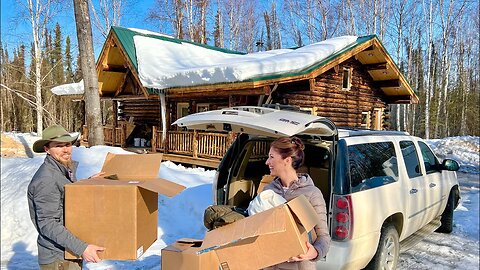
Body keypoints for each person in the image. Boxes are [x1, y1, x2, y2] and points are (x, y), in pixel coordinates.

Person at [27, 125, 105, 270]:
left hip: (67, 252)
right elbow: (48, 224)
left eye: (68, 144)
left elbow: (67, 196)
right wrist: (82, 248)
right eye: (58, 146)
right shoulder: (46, 180)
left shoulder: (61, 170)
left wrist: (88, 181)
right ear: (47, 149)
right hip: (58, 258)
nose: (66, 150)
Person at [262, 136, 330, 270]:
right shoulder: (268, 191)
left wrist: (315, 252)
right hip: (269, 265)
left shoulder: (312, 194)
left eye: (271, 157)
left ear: (286, 160)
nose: (267, 162)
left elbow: (324, 237)